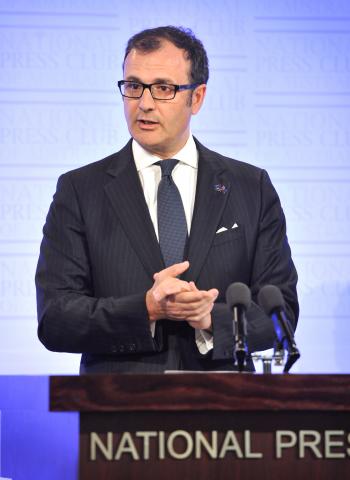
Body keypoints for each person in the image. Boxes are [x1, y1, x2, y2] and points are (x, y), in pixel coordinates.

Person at [35, 26, 298, 373]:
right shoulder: (80, 190)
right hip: (118, 412)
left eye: (163, 88)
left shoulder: (250, 187)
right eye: (133, 86)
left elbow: (281, 314)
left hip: (227, 410)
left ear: (197, 97)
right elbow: (55, 318)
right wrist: (146, 308)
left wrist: (210, 319)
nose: (144, 103)